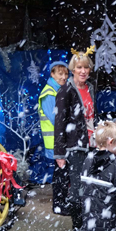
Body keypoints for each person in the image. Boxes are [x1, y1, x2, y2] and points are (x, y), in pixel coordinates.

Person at [54, 46, 96, 231]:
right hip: (74, 147)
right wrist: (59, 153)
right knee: (78, 189)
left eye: (86, 67)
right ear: (73, 69)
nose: (83, 71)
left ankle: (91, 224)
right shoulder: (65, 91)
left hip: (92, 144)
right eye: (79, 67)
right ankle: (78, 228)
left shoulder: (90, 88)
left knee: (92, 187)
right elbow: (59, 123)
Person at [39, 61, 71, 219]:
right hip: (55, 141)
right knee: (60, 174)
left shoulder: (59, 90)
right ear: (52, 74)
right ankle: (59, 204)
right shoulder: (50, 93)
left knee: (62, 173)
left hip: (60, 140)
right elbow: (55, 118)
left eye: (66, 74)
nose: (64, 77)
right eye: (60, 73)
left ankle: (62, 202)